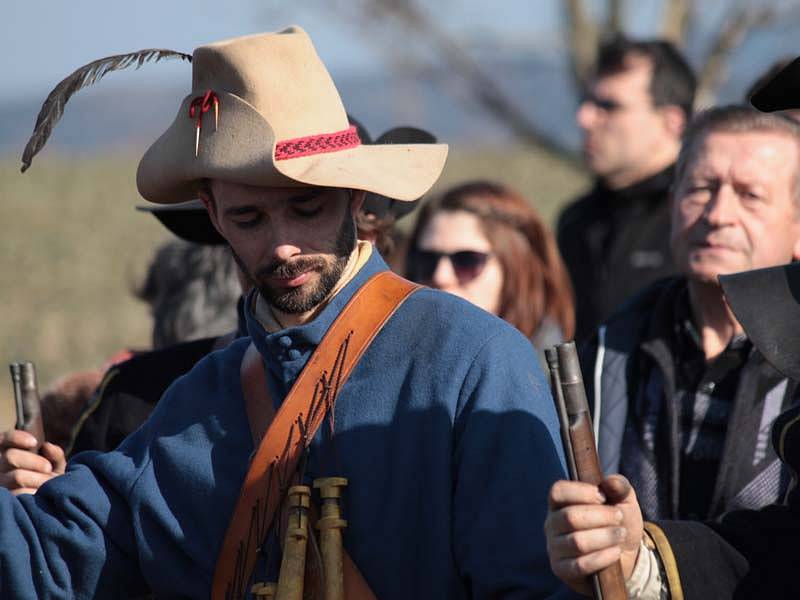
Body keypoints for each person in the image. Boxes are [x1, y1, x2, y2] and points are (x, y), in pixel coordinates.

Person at [0, 27, 566, 598]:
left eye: (306, 206)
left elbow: (533, 584)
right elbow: (51, 561)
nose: (283, 247)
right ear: (213, 215)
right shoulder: (198, 401)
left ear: (353, 194)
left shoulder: (474, 360)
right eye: (249, 219)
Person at [584, 105, 800, 524]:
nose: (718, 215)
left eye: (750, 195)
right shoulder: (611, 350)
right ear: (672, 203)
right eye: (701, 188)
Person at [557, 36, 696, 341]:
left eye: (609, 105)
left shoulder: (701, 219)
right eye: (586, 102)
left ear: (672, 121)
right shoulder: (576, 221)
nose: (585, 118)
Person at [406, 180, 575, 355]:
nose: (440, 276)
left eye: (467, 260)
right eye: (426, 260)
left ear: (516, 268)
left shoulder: (549, 373)